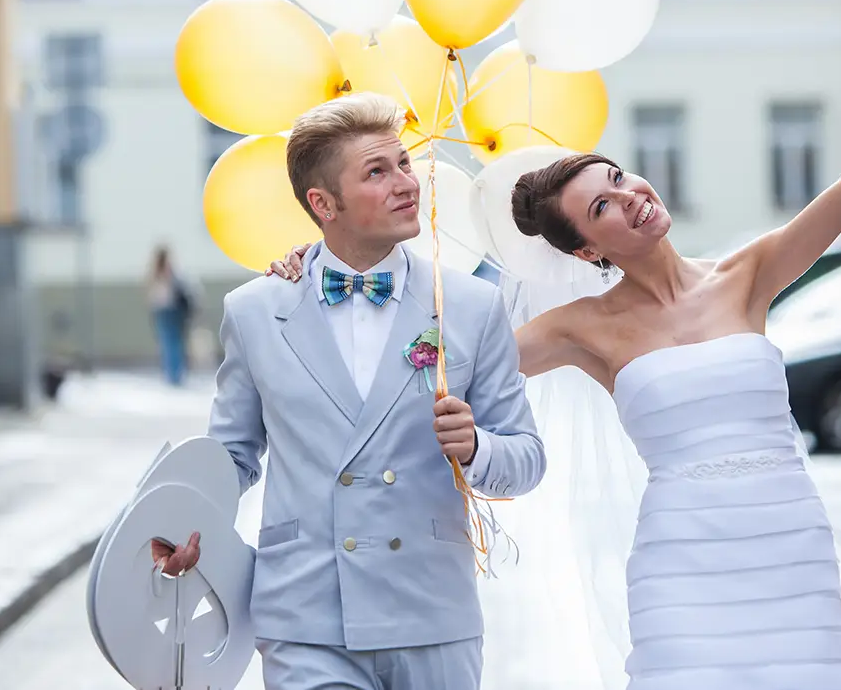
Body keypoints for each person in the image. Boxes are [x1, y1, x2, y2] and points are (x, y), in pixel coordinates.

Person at [269, 10, 841, 688]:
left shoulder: (750, 273)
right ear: (586, 248)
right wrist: (327, 267)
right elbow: (425, 363)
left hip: (791, 544)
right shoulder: (583, 328)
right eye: (602, 206)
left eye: (617, 177)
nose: (630, 195)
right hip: (682, 562)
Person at [152, 92, 547, 690]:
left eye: (404, 165)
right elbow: (231, 455)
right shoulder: (255, 311)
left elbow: (527, 458)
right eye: (376, 172)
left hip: (431, 612)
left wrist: (475, 448)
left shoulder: (470, 306)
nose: (405, 183)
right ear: (322, 202)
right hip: (304, 615)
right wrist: (183, 521)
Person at [147, 245, 194, 386]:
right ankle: (175, 374)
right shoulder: (171, 271)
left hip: (164, 310)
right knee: (174, 342)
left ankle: (172, 373)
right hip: (171, 309)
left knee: (168, 342)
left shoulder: (155, 271)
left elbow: (151, 293)